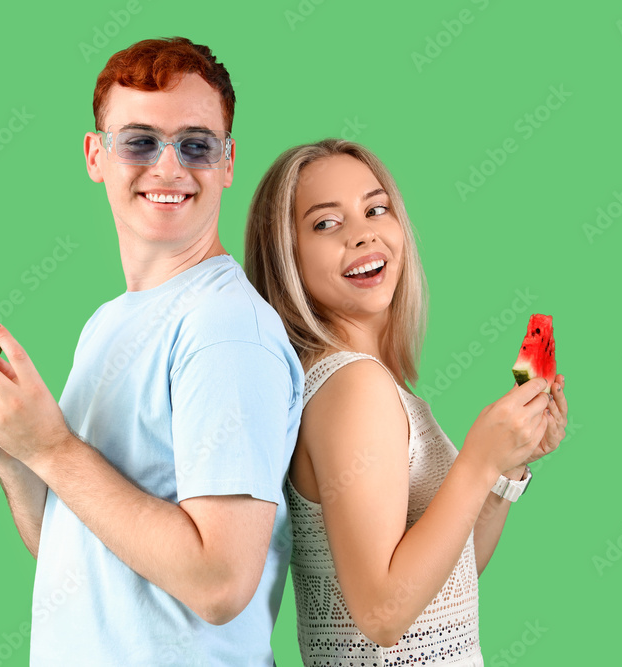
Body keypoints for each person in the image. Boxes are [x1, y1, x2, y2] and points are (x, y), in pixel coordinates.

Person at [0, 38, 303, 666]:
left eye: (196, 145)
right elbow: (79, 553)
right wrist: (13, 455)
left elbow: (221, 582)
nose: (169, 168)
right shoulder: (108, 322)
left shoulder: (226, 328)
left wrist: (51, 448)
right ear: (96, 155)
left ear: (228, 162)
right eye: (140, 141)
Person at [245, 139, 569, 665]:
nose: (362, 233)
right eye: (326, 224)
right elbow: (382, 614)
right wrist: (478, 460)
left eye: (376, 209)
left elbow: (444, 580)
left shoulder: (372, 385)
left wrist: (506, 470)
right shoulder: (354, 387)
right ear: (287, 259)